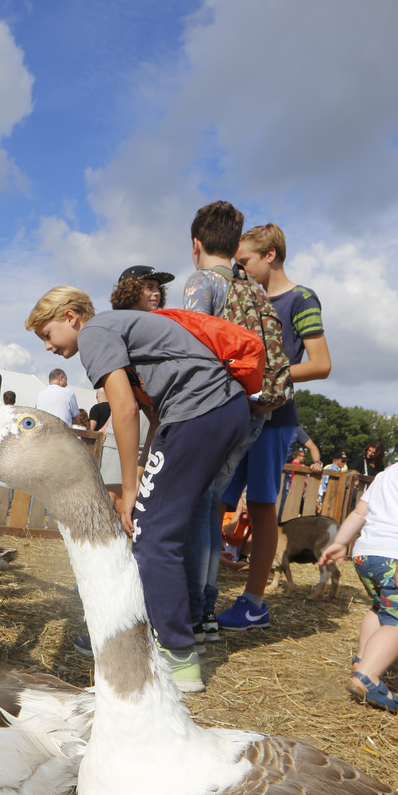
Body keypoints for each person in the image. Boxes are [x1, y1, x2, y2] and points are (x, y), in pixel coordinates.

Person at [25, 286, 251, 691]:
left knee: (153, 533)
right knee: (168, 523)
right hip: (225, 409)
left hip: (199, 411)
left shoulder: (95, 333)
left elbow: (125, 410)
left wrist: (130, 487)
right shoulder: (120, 330)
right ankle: (185, 629)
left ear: (71, 316)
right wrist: (145, 469)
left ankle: (176, 656)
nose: (48, 346)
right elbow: (154, 415)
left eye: (47, 334)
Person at [217, 223, 331, 631]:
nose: (239, 269)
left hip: (277, 418)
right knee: (217, 501)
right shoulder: (245, 297)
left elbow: (321, 364)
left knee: (263, 506)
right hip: (239, 415)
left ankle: (253, 603)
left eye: (244, 261)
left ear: (270, 255)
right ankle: (203, 590)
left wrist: (265, 378)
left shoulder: (301, 299)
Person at [181, 200, 265, 649]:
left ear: (196, 244)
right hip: (252, 411)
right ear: (234, 246)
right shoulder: (251, 287)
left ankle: (195, 613)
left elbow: (195, 346)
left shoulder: (203, 282)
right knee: (212, 502)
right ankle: (208, 612)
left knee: (198, 503)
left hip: (214, 406)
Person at [318, 460, 398, 713]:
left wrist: (340, 542)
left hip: (365, 554)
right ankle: (367, 677)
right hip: (394, 555)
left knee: (380, 607)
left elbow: (359, 513)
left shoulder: (388, 473)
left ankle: (362, 660)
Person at [110, 265, 175, 312]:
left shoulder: (165, 323)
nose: (157, 293)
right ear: (130, 291)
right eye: (149, 287)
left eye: (158, 288)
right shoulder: (115, 323)